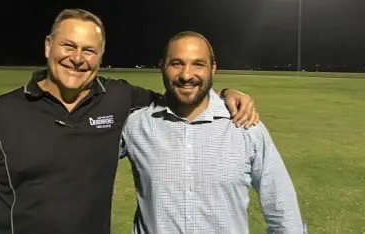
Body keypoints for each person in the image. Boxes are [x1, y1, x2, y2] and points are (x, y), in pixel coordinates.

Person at [0, 9, 260, 234]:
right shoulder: (0, 114)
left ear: (100, 56)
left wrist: (225, 93)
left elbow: (181, 96)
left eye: (89, 50)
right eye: (68, 46)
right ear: (47, 46)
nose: (77, 58)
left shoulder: (119, 99)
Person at [120, 31, 306, 234]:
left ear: (213, 68)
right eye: (177, 63)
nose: (187, 75)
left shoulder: (245, 125)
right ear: (162, 67)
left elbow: (282, 210)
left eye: (198, 64)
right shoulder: (136, 126)